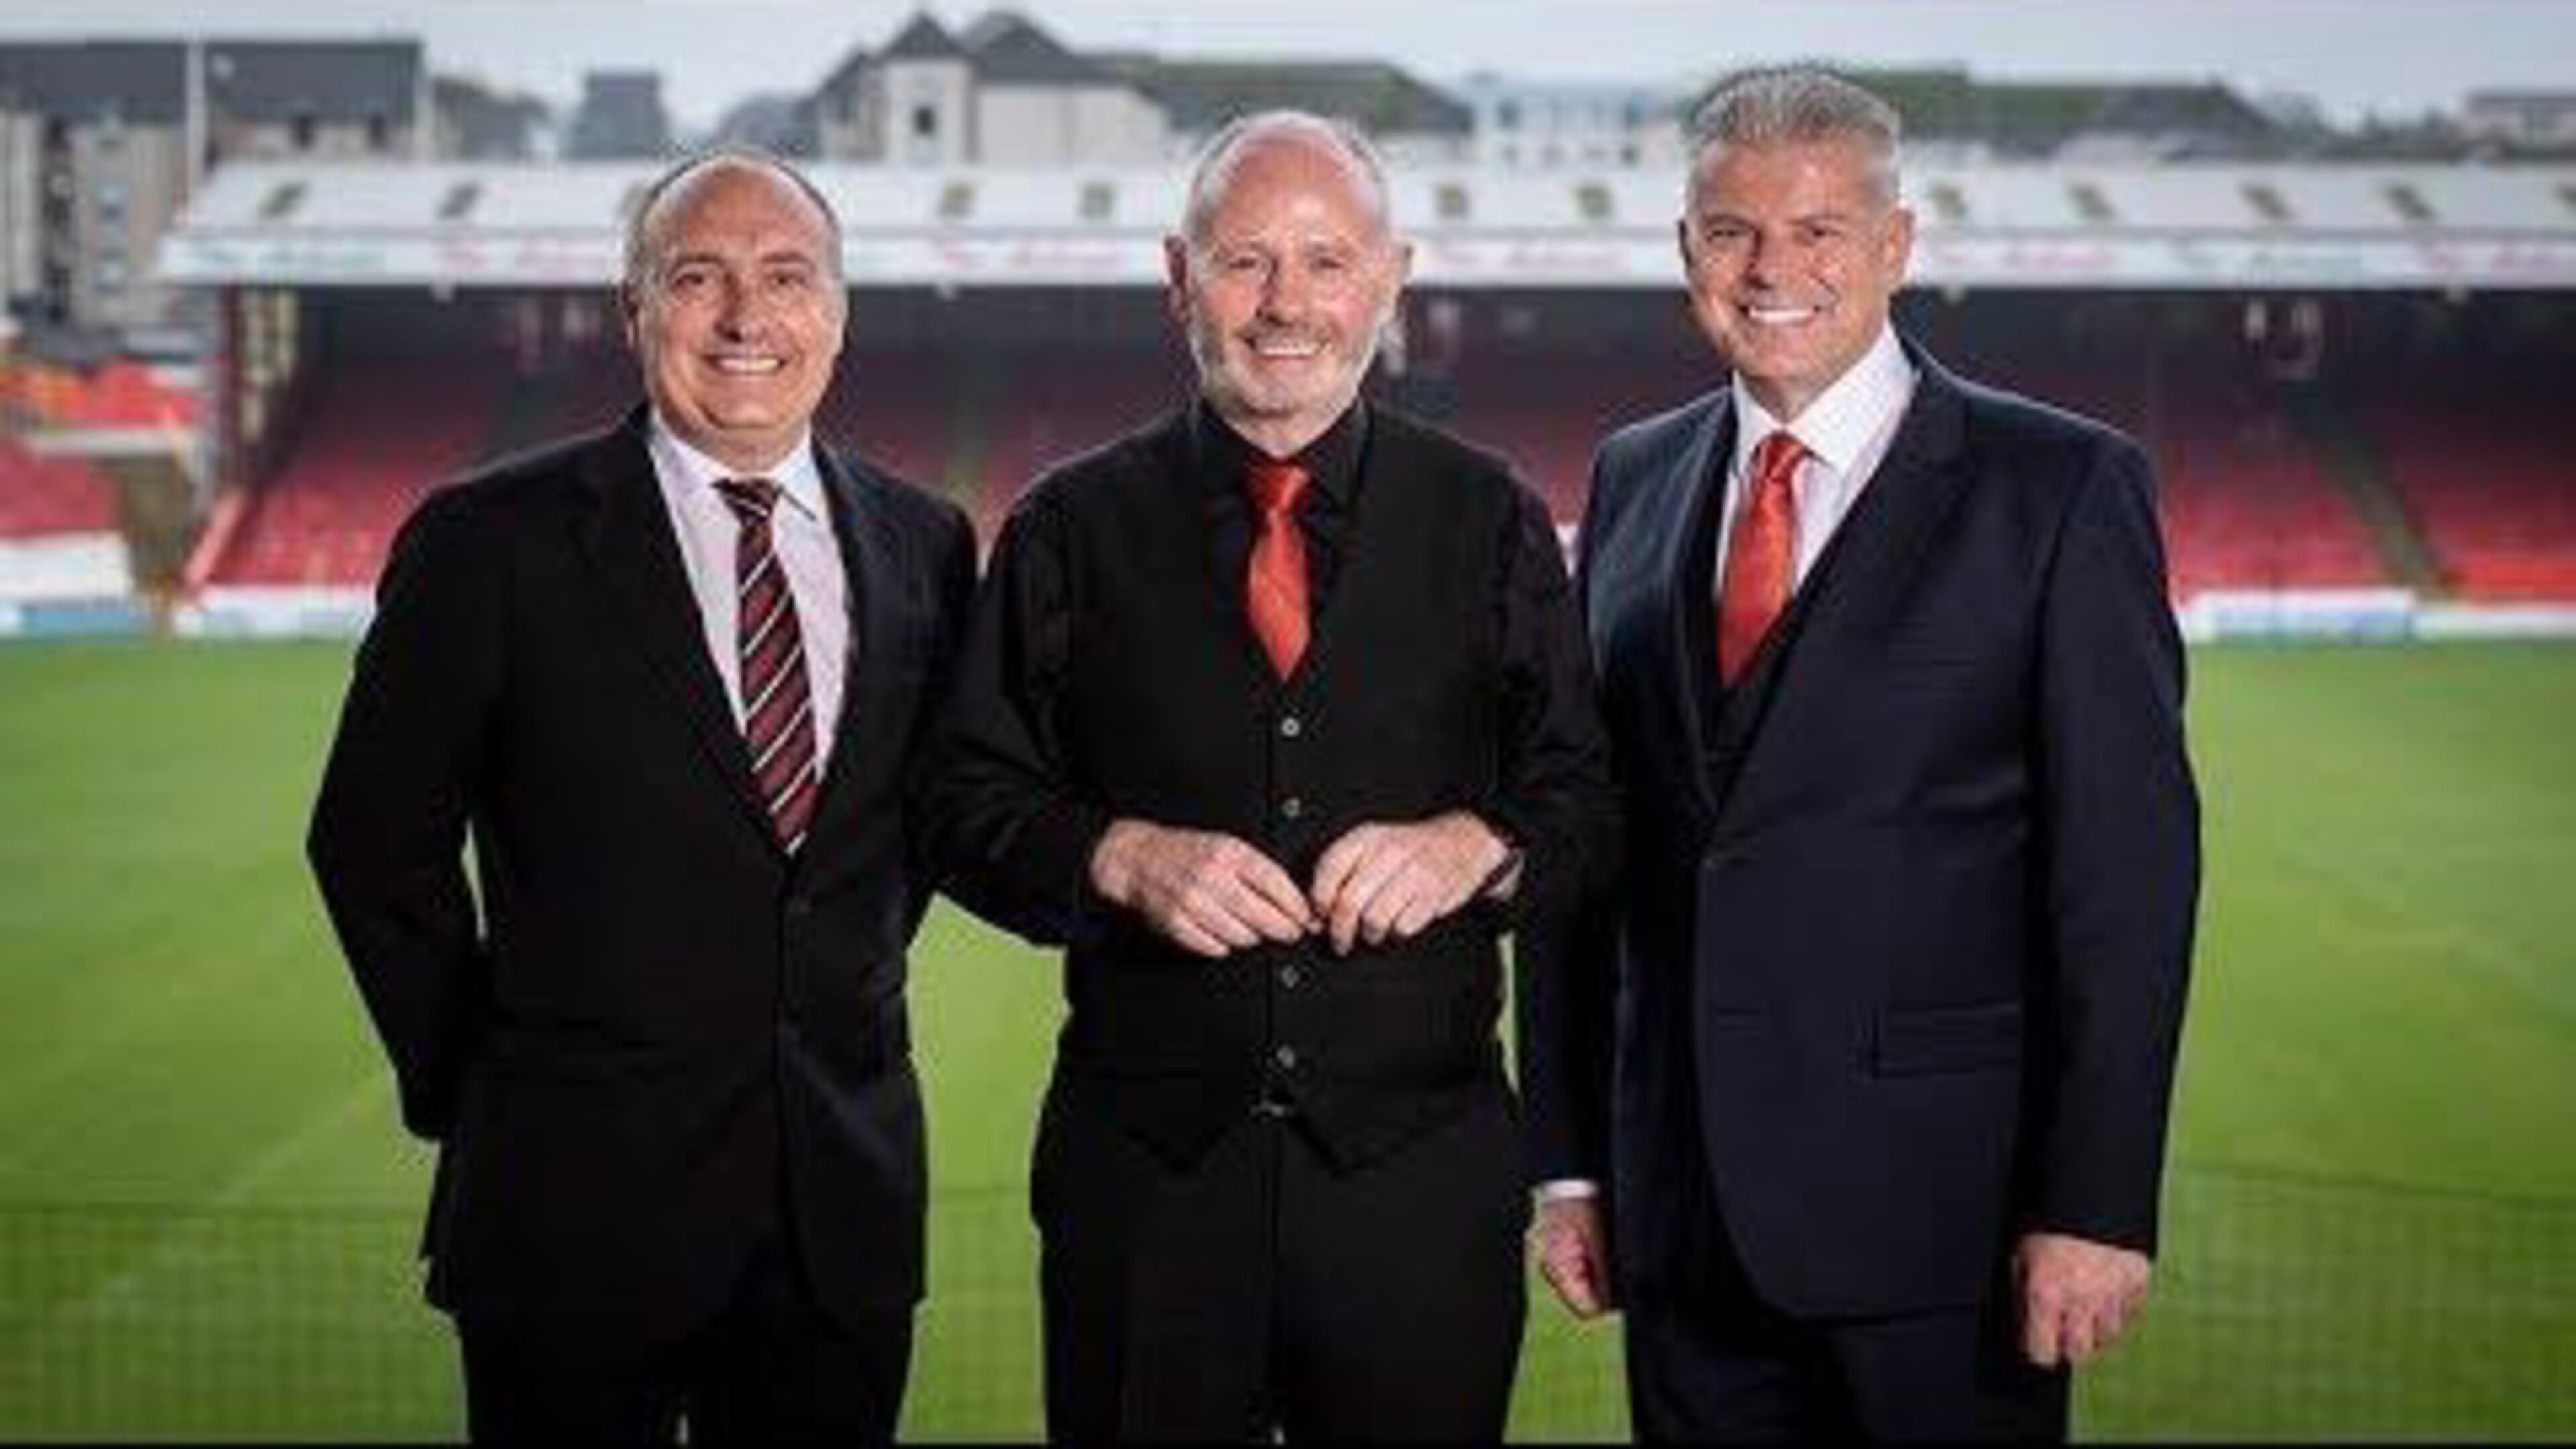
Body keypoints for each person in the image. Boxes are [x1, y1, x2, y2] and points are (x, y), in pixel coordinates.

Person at [1525, 68, 2200, 1441]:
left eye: (1822, 229)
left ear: (1897, 245)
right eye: (1732, 232)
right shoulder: (1634, 477)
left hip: (1943, 1230)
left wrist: (2095, 1199)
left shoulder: (2060, 488)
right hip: (1682, 1214)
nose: (1774, 268)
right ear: (1686, 255)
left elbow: (2124, 881)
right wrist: (1570, 1164)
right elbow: (1586, 847)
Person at [924, 111, 1617, 1441]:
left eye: (1326, 260)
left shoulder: (1493, 520)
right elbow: (961, 802)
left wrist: (1479, 841)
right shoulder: (1068, 526)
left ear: (1390, 277)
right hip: (1145, 1187)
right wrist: (1113, 855)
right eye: (1245, 261)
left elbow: (1587, 801)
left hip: (1421, 1186)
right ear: (1178, 279)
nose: (1286, 303)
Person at [307, 148, 975, 1445]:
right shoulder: (487, 541)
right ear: (634, 311)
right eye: (698, 279)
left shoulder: (927, 543)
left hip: (838, 1214)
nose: (745, 320)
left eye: (786, 279)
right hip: (567, 1215)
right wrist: (485, 1083)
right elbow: (373, 846)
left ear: (836, 315)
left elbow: (914, 837)